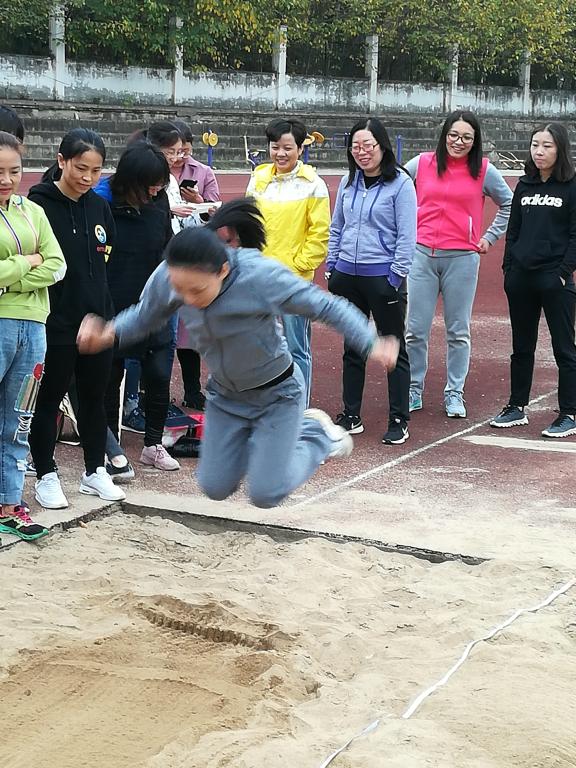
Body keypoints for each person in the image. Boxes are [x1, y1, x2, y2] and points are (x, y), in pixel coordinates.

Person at [77, 202, 399, 509]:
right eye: (181, 291)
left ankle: (316, 436)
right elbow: (147, 314)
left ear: (223, 270)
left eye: (197, 291)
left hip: (276, 393)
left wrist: (370, 342)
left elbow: (326, 306)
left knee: (266, 493)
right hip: (226, 396)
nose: (187, 299)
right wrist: (110, 331)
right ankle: (263, 444)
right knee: (214, 486)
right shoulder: (171, 275)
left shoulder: (260, 276)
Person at [27, 128, 125, 508]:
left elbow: (106, 261)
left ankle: (94, 471)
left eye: (96, 171)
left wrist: (103, 315)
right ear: (61, 160)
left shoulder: (99, 207)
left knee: (94, 398)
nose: (87, 177)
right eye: (81, 168)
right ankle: (46, 474)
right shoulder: (38, 207)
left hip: (97, 323)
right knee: (49, 398)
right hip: (55, 322)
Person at [404, 110, 512, 418]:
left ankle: (454, 392)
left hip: (462, 259)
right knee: (415, 330)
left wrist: (489, 237)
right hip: (422, 255)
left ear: (475, 141)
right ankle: (413, 388)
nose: (459, 142)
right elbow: (394, 185)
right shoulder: (422, 163)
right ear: (444, 136)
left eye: (466, 137)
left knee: (458, 330)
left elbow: (509, 202)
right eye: (454, 135)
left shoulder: (484, 170)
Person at [326, 117, 417, 444]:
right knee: (353, 346)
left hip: (383, 278)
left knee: (393, 347)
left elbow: (407, 236)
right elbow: (338, 226)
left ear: (382, 146)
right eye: (355, 146)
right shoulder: (348, 181)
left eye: (368, 145)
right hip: (347, 276)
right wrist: (332, 265)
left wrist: (394, 276)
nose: (362, 152)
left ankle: (399, 419)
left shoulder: (401, 184)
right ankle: (351, 415)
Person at [96, 140, 180, 471]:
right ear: (131, 180)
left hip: (154, 304)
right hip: (114, 303)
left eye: (160, 184)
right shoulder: (103, 202)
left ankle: (153, 445)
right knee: (110, 378)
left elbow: (168, 244)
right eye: (150, 185)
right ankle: (109, 449)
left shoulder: (159, 202)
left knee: (158, 375)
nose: (156, 190)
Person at [0, 129, 66, 539]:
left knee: (19, 419)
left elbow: (58, 265)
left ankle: (9, 503)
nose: (6, 179)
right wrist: (30, 261)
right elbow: (41, 263)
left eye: (14, 170)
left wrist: (12, 277)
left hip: (34, 327)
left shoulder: (32, 211)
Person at [491, 122, 576, 437]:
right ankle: (516, 406)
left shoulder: (571, 186)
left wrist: (562, 273)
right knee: (521, 347)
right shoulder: (524, 185)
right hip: (521, 278)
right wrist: (509, 269)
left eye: (547, 146)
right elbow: (513, 230)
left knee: (564, 349)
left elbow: (575, 235)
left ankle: (569, 412)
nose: (539, 151)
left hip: (554, 279)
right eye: (535, 145)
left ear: (560, 149)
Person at [246, 117, 330, 406]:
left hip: (294, 282)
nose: (280, 153)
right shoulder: (258, 179)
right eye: (275, 147)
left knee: (297, 348)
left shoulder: (313, 184)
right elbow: (248, 224)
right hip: (260, 279)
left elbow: (320, 234)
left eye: (287, 148)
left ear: (300, 148)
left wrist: (298, 266)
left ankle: (298, 409)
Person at [171, 119, 222, 411]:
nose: (180, 156)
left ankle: (192, 390)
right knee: (158, 327)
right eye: (175, 151)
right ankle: (145, 393)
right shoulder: (156, 169)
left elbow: (216, 215)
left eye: (186, 150)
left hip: (194, 258)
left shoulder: (203, 172)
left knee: (189, 329)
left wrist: (199, 200)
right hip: (162, 255)